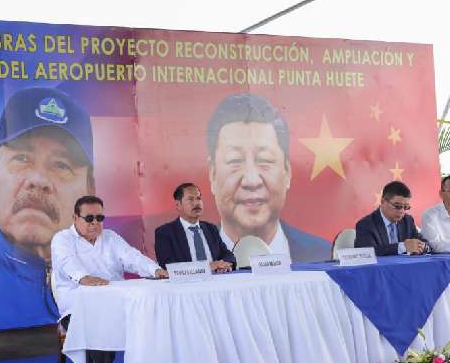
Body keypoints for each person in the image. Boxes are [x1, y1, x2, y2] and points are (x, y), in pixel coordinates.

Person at [0, 87, 94, 331]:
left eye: (62, 165)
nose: (39, 180)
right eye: (21, 159)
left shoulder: (106, 267)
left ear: (89, 194)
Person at [51, 195, 167, 363]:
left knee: (150, 319)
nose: (95, 223)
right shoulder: (62, 239)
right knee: (95, 323)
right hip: (78, 308)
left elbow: (132, 257)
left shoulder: (111, 237)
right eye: (89, 218)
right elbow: (66, 263)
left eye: (100, 217)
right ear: (75, 218)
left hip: (116, 304)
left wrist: (155, 270)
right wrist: (83, 278)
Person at [206, 93, 331, 263]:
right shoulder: (197, 257)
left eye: (264, 160)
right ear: (212, 174)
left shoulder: (323, 255)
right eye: (235, 160)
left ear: (287, 171)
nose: (251, 180)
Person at [154, 182, 235, 271]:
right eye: (190, 199)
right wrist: (207, 268)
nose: (196, 203)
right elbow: (169, 266)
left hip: (216, 280)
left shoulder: (211, 229)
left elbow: (228, 255)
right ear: (178, 205)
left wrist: (223, 265)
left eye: (198, 198)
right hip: (186, 284)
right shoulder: (165, 232)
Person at [354, 181, 430, 256]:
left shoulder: (407, 221)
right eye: (397, 206)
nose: (402, 211)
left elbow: (424, 242)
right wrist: (403, 247)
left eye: (406, 207)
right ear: (383, 201)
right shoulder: (366, 224)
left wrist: (423, 246)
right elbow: (366, 252)